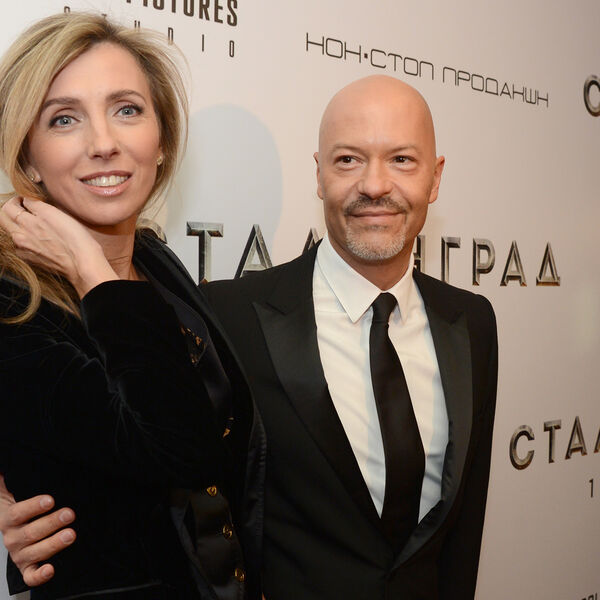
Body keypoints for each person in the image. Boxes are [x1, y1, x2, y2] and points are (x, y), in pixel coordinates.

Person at [1, 75, 497, 599]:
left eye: (402, 160)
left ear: (435, 178)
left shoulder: (472, 322)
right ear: (320, 175)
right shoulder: (224, 314)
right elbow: (140, 435)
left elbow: (464, 527)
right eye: (348, 160)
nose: (374, 185)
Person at [0, 12, 264, 600]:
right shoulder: (13, 300)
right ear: (29, 157)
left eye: (126, 109)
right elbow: (180, 452)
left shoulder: (156, 262)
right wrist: (91, 269)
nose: (103, 143)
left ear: (161, 140)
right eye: (64, 118)